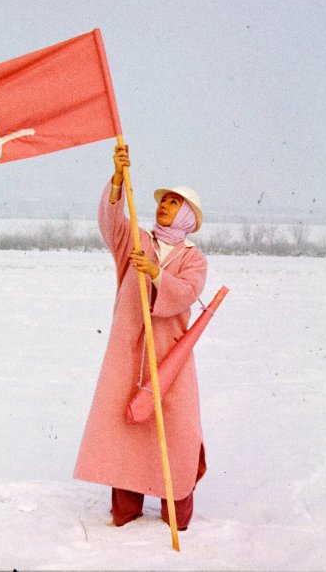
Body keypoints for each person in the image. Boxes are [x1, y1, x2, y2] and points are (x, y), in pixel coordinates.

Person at [74, 144, 209, 531]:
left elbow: (185, 293)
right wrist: (118, 179)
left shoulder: (193, 258)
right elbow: (110, 223)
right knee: (127, 426)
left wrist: (155, 273)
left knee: (177, 430)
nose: (164, 206)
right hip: (130, 352)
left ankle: (175, 510)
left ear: (187, 215)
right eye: (163, 200)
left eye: (173, 202)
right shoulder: (136, 239)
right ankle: (126, 508)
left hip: (171, 357)